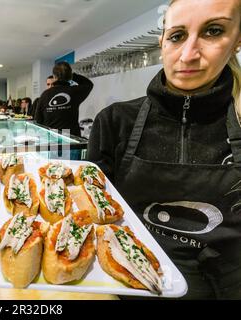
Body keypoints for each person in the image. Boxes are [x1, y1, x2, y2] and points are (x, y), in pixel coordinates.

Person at [87, 0, 241, 299]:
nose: (188, 54)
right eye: (177, 36)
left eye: (213, 31)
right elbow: (96, 217)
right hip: (127, 283)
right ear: (162, 42)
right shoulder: (115, 121)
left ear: (237, 41)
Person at [35, 62, 94, 137]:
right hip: (71, 137)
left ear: (54, 76)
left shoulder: (45, 94)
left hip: (52, 136)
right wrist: (72, 76)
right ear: (69, 75)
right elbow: (88, 84)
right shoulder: (74, 92)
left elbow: (38, 119)